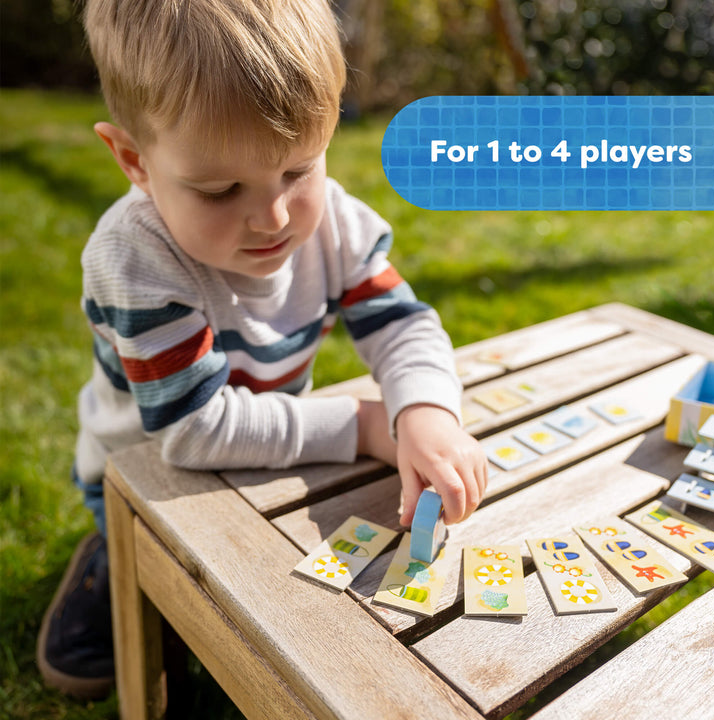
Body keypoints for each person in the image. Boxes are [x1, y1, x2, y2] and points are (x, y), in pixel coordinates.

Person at [37, 0, 488, 700]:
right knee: (182, 632)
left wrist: (426, 411)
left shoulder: (334, 221)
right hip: (145, 474)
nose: (273, 217)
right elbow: (194, 431)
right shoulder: (134, 259)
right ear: (134, 161)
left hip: (263, 451)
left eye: (297, 171)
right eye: (221, 190)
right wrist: (371, 424)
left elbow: (402, 323)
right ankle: (105, 555)